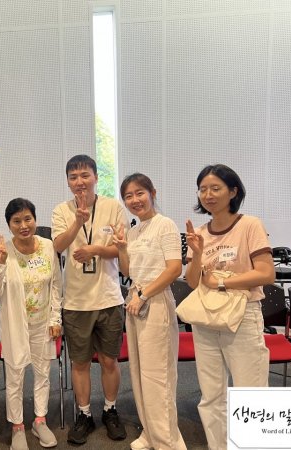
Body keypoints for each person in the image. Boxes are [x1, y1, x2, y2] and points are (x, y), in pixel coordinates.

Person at [185, 164, 274, 449]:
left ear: (233, 191)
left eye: (215, 188)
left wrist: (222, 282)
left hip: (243, 316)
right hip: (206, 317)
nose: (208, 195)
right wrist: (197, 253)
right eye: (202, 189)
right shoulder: (200, 232)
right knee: (211, 395)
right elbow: (192, 281)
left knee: (251, 392)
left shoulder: (250, 225)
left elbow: (266, 273)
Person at [51, 154, 128, 445]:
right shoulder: (61, 210)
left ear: (96, 177)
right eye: (73, 177)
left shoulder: (113, 208)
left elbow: (122, 249)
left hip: (108, 297)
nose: (80, 181)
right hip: (75, 301)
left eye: (85, 175)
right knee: (80, 362)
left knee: (109, 360)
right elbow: (58, 246)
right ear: (68, 182)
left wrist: (95, 249)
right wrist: (77, 222)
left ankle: (110, 409)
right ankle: (84, 414)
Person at [113, 174, 187, 450]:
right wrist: (122, 249)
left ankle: (167, 441)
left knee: (159, 376)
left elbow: (174, 269)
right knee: (140, 372)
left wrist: (144, 295)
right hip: (136, 300)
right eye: (128, 196)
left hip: (154, 301)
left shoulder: (165, 225)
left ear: (152, 193)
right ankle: (150, 431)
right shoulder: (134, 231)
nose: (134, 200)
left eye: (139, 193)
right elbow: (127, 271)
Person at [0, 198, 62, 450]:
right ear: (9, 225)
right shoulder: (4, 251)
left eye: (27, 218)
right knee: (15, 377)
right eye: (16, 221)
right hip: (15, 326)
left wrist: (55, 318)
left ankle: (40, 421)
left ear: (35, 219)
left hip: (43, 324)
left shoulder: (48, 246)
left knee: (43, 374)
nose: (23, 225)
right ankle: (17, 426)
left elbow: (56, 285)